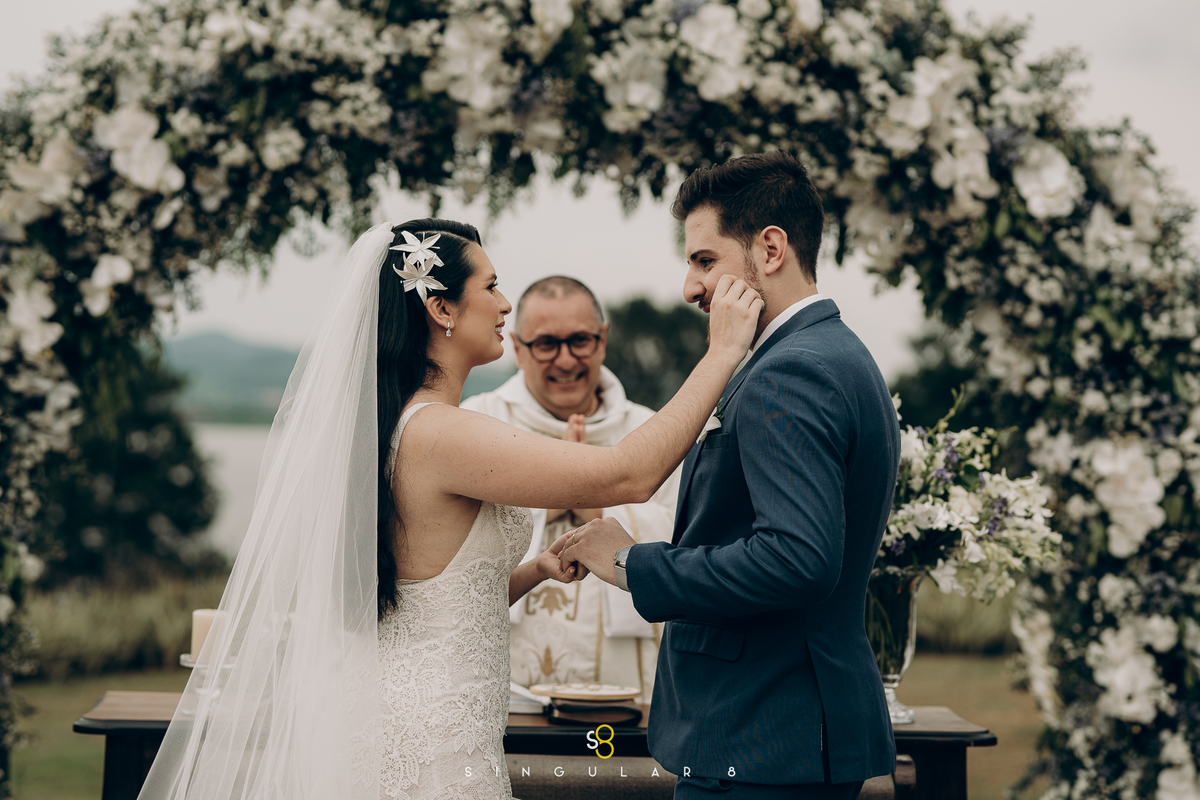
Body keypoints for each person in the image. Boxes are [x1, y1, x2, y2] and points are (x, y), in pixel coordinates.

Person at [137, 218, 762, 800]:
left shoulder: (403, 425)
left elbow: (431, 601)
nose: (505, 304)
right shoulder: (441, 433)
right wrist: (722, 354)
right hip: (429, 743)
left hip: (417, 719)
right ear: (440, 308)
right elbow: (630, 472)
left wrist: (535, 570)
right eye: (491, 286)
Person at [562, 151, 901, 799]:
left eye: (704, 260)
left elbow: (798, 558)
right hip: (789, 735)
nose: (691, 288)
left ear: (770, 249)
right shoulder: (837, 353)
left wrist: (636, 565)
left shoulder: (789, 371)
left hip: (762, 735)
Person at [462, 276, 677, 701]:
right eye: (546, 344)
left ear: (602, 340)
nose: (565, 360)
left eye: (580, 340)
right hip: (505, 680)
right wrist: (563, 484)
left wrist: (594, 509)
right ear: (519, 349)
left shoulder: (655, 433)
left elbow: (689, 540)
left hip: (627, 682)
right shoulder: (475, 425)